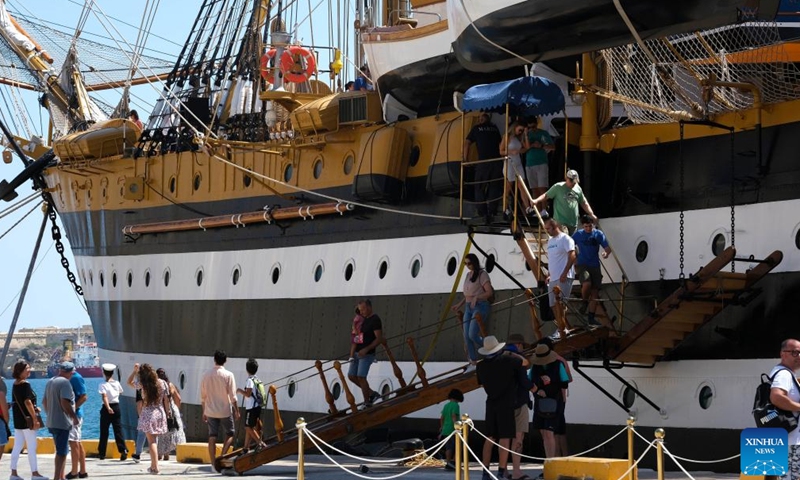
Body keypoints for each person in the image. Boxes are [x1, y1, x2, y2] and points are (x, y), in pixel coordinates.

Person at [476, 336, 525, 480]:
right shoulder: (509, 360)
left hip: (491, 402)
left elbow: (481, 384)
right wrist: (512, 353)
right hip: (506, 403)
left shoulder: (481, 366)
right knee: (505, 438)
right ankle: (500, 471)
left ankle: (485, 472)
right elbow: (525, 363)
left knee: (490, 437)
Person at [529, 342, 571, 460]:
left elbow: (565, 383)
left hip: (554, 402)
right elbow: (528, 382)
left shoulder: (558, 365)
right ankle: (549, 460)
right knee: (544, 433)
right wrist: (537, 390)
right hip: (540, 403)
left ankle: (551, 461)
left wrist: (551, 381)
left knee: (549, 432)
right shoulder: (535, 367)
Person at [572, 215, 614, 329]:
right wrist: (573, 258)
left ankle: (591, 317)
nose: (588, 229)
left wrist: (606, 253)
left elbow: (607, 247)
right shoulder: (578, 235)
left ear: (592, 225)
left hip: (595, 265)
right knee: (587, 283)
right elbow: (569, 245)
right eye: (586, 227)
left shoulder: (598, 234)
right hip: (582, 264)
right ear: (583, 226)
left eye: (590, 226)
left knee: (595, 293)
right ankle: (584, 302)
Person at [451, 253, 494, 365]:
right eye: (465, 263)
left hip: (480, 306)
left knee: (472, 334)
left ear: (474, 262)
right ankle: (473, 360)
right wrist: (458, 305)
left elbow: (489, 293)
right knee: (466, 336)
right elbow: (467, 296)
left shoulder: (482, 275)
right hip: (468, 307)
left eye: (469, 263)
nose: (467, 265)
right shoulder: (468, 275)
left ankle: (492, 348)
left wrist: (477, 297)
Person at [200, 350, 239, 468]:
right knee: (230, 433)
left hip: (210, 410)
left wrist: (204, 411)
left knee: (212, 436)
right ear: (225, 361)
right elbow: (233, 396)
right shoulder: (229, 375)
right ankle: (222, 456)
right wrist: (237, 410)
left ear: (214, 359)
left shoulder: (206, 375)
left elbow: (203, 396)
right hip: (225, 410)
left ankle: (213, 463)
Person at [10, 360, 47, 480]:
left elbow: (19, 402)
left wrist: (35, 408)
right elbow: (27, 402)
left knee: (17, 446)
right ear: (20, 371)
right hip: (28, 421)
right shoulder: (26, 384)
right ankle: (35, 473)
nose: (29, 370)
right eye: (27, 369)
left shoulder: (15, 384)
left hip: (18, 420)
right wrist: (35, 418)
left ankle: (13, 473)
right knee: (31, 447)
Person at [463, 112, 503, 222]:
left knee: (479, 187)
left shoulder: (477, 128)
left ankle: (482, 212)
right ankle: (493, 211)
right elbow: (500, 144)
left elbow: (467, 143)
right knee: (494, 186)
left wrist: (465, 159)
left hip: (484, 162)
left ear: (481, 119)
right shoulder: (495, 128)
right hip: (497, 161)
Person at [43, 362, 79, 480]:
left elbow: (44, 402)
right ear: (69, 372)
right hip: (62, 423)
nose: (72, 375)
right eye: (72, 372)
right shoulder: (65, 383)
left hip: (52, 422)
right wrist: (74, 416)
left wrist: (50, 414)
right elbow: (65, 402)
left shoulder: (50, 381)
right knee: (62, 453)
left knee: (59, 450)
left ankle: (60, 477)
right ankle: (57, 478)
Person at [770, 339, 800, 478]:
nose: (798, 356)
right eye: (794, 352)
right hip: (791, 442)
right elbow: (776, 397)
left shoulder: (786, 374)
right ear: (783, 354)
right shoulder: (784, 374)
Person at [533, 170, 597, 235]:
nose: (572, 183)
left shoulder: (578, 188)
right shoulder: (558, 187)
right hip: (561, 222)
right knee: (564, 240)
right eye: (571, 181)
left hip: (573, 223)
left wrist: (592, 214)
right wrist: (536, 200)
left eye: (574, 182)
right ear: (566, 178)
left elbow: (583, 202)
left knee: (571, 243)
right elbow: (546, 195)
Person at [504, 334, 533, 480]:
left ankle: (502, 470)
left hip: (503, 404)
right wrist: (535, 388)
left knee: (504, 438)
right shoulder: (519, 359)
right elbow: (524, 381)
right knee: (518, 437)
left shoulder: (498, 358)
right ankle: (516, 472)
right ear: (519, 345)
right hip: (520, 402)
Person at [544, 216, 576, 340]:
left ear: (555, 227)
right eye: (545, 229)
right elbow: (552, 260)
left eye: (548, 228)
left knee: (560, 304)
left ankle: (561, 329)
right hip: (553, 278)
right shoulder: (551, 241)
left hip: (564, 277)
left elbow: (572, 256)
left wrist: (565, 272)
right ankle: (562, 327)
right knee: (552, 305)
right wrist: (549, 275)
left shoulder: (566, 239)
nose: (547, 231)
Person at [347, 299, 383, 407]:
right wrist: (352, 353)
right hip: (358, 353)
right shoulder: (363, 320)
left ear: (369, 307)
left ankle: (367, 402)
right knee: (351, 376)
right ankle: (372, 394)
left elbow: (379, 338)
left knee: (361, 377)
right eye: (360, 310)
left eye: (362, 309)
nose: (361, 312)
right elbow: (358, 337)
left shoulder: (375, 319)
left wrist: (366, 349)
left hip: (367, 354)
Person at [138, 363, 170, 475]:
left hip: (148, 413)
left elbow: (128, 382)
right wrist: (168, 412)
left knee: (151, 442)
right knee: (154, 441)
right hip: (159, 412)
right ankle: (153, 466)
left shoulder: (143, 384)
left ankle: (155, 467)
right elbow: (166, 400)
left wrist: (134, 371)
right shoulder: (163, 383)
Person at [500, 122, 532, 217]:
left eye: (522, 130)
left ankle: (527, 207)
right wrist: (511, 151)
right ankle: (504, 208)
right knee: (508, 187)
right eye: (520, 130)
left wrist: (525, 135)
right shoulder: (507, 137)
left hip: (518, 163)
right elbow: (501, 151)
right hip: (510, 163)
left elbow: (527, 148)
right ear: (515, 127)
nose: (520, 132)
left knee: (522, 185)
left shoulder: (519, 138)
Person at [236, 358, 267, 453]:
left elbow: (248, 394)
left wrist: (239, 391)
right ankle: (246, 447)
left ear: (247, 369)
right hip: (257, 407)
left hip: (251, 408)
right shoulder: (257, 379)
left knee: (247, 427)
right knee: (250, 427)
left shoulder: (250, 380)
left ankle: (260, 443)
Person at [97, 363, 126, 465]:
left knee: (104, 430)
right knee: (118, 430)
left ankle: (102, 453)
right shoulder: (117, 383)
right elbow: (121, 392)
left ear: (104, 373)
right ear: (113, 373)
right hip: (116, 406)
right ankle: (123, 450)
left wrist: (108, 407)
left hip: (106, 408)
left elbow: (104, 397)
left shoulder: (102, 384)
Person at [156, 368, 185, 461]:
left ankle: (160, 454)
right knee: (173, 430)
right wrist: (176, 408)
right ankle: (167, 454)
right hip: (172, 410)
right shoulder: (170, 385)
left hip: (160, 409)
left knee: (161, 433)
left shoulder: (155, 385)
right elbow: (178, 398)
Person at [66, 367, 89, 480]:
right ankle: (83, 471)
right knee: (77, 442)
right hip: (74, 414)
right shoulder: (71, 377)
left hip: (75, 415)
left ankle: (75, 471)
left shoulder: (75, 378)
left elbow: (84, 396)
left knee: (74, 442)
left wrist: (72, 409)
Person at [523, 117, 554, 199]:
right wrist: (526, 136)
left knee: (542, 189)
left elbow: (553, 147)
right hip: (529, 164)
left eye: (533, 127)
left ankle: (544, 210)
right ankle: (536, 210)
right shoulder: (525, 135)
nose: (532, 129)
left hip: (541, 163)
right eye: (529, 127)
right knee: (534, 190)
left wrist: (541, 146)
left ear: (537, 125)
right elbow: (523, 149)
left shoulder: (544, 133)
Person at [127, 364, 148, 463]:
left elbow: (129, 382)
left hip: (144, 412)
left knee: (141, 433)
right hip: (154, 411)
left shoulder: (140, 385)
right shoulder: (153, 383)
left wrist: (134, 372)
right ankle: (157, 454)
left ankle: (138, 454)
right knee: (154, 434)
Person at [439, 388, 463, 471]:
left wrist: (442, 427)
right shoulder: (456, 405)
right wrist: (456, 426)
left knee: (448, 447)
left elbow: (442, 418)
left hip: (446, 429)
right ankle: (454, 462)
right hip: (453, 429)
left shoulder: (446, 405)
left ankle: (448, 462)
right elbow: (453, 415)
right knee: (458, 446)